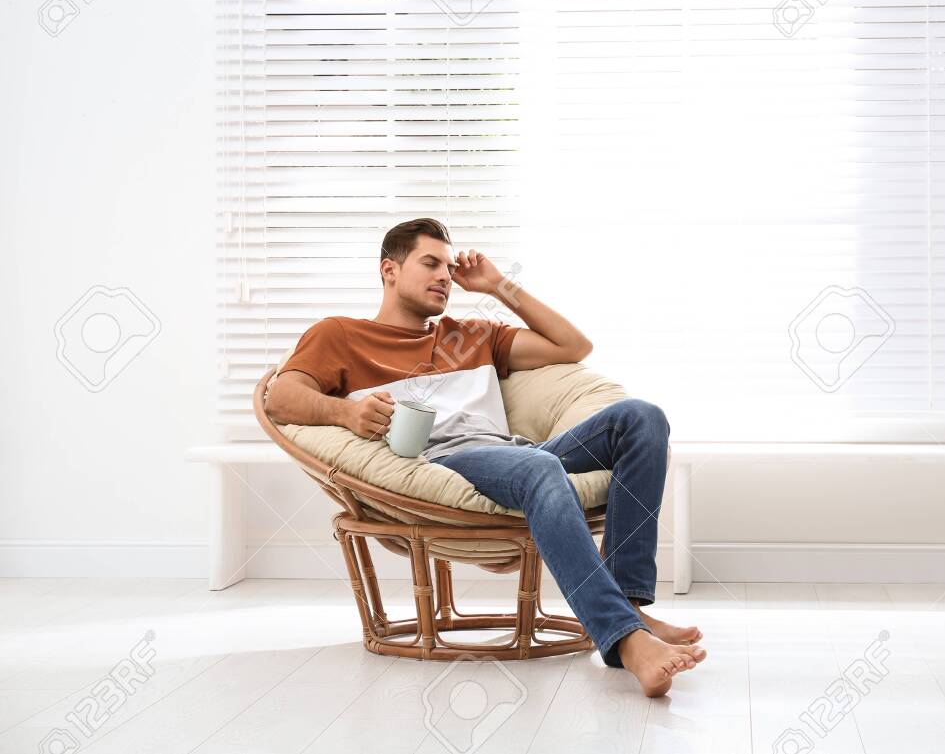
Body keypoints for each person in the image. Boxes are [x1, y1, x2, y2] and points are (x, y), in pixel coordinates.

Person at [263, 217, 706, 696]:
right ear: (389, 270)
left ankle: (629, 604)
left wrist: (497, 286)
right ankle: (624, 642)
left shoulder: (472, 334)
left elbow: (574, 346)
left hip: (514, 454)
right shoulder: (340, 334)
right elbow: (281, 398)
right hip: (447, 461)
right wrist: (347, 413)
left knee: (642, 418)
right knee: (541, 468)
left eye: (449, 268)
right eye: (430, 263)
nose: (444, 276)